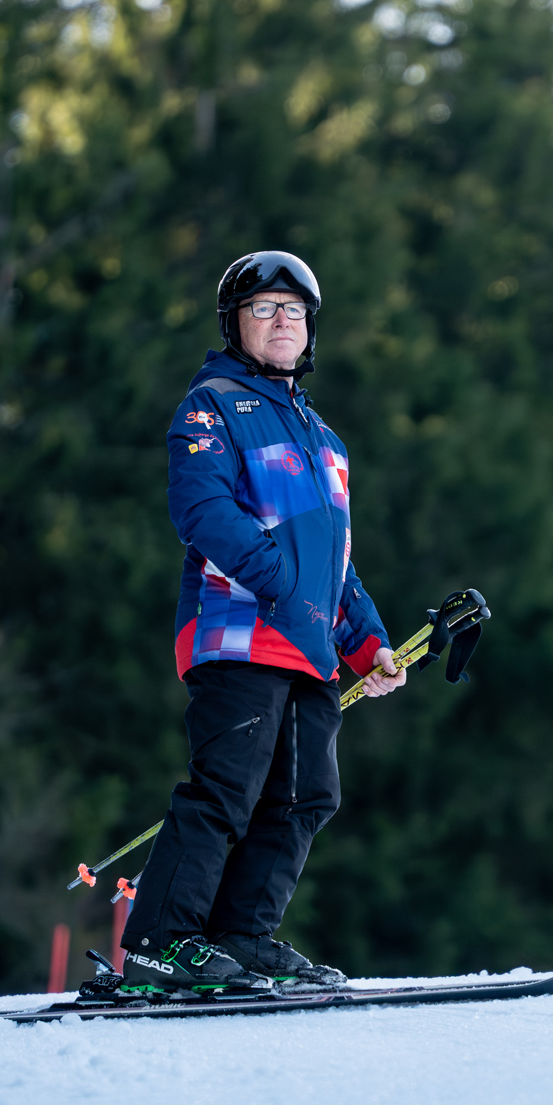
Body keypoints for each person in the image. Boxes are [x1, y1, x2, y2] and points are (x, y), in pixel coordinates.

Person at [119, 250, 405, 995]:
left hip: (309, 647)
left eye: (295, 309)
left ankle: (241, 937)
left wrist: (369, 643)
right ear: (235, 323)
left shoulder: (325, 439)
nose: (282, 320)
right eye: (264, 308)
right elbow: (203, 511)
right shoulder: (211, 405)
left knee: (306, 796)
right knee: (226, 789)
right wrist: (281, 582)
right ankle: (158, 945)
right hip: (239, 635)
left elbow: (335, 562)